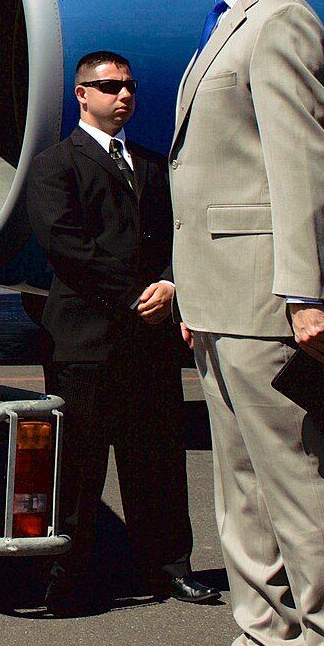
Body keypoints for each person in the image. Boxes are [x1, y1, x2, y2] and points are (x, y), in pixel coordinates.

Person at [166, 0, 324, 646]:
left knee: (294, 484)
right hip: (218, 294)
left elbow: (300, 164)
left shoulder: (279, 20)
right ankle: (262, 639)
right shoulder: (231, 21)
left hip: (263, 297)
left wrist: (305, 293)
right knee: (238, 487)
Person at [23, 50, 219, 615]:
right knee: (79, 465)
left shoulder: (155, 167)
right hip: (85, 341)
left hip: (150, 341)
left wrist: (171, 283)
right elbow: (65, 245)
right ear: (82, 94)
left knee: (157, 459)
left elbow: (179, 235)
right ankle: (69, 572)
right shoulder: (55, 165)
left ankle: (169, 567)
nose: (123, 95)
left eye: (129, 85)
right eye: (109, 86)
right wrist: (135, 294)